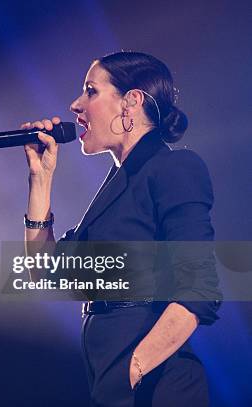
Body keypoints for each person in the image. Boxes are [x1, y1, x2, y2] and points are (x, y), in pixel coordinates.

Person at [22, 51, 221, 406]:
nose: (75, 105)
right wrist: (41, 177)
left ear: (132, 101)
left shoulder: (175, 168)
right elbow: (41, 271)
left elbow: (196, 295)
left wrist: (129, 374)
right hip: (111, 382)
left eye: (91, 91)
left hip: (158, 389)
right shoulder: (117, 189)